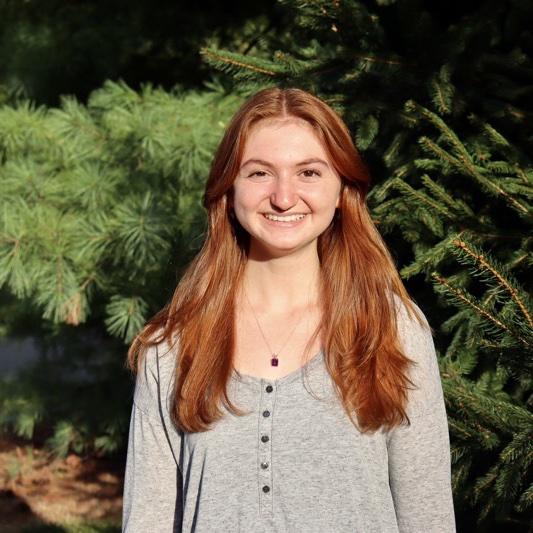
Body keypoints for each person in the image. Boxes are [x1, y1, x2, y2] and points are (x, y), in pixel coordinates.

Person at [122, 87, 456, 532]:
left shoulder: (392, 329)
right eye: (260, 173)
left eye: (309, 173)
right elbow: (148, 521)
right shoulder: (172, 346)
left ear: (341, 189)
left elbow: (427, 515)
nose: (284, 197)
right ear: (229, 187)